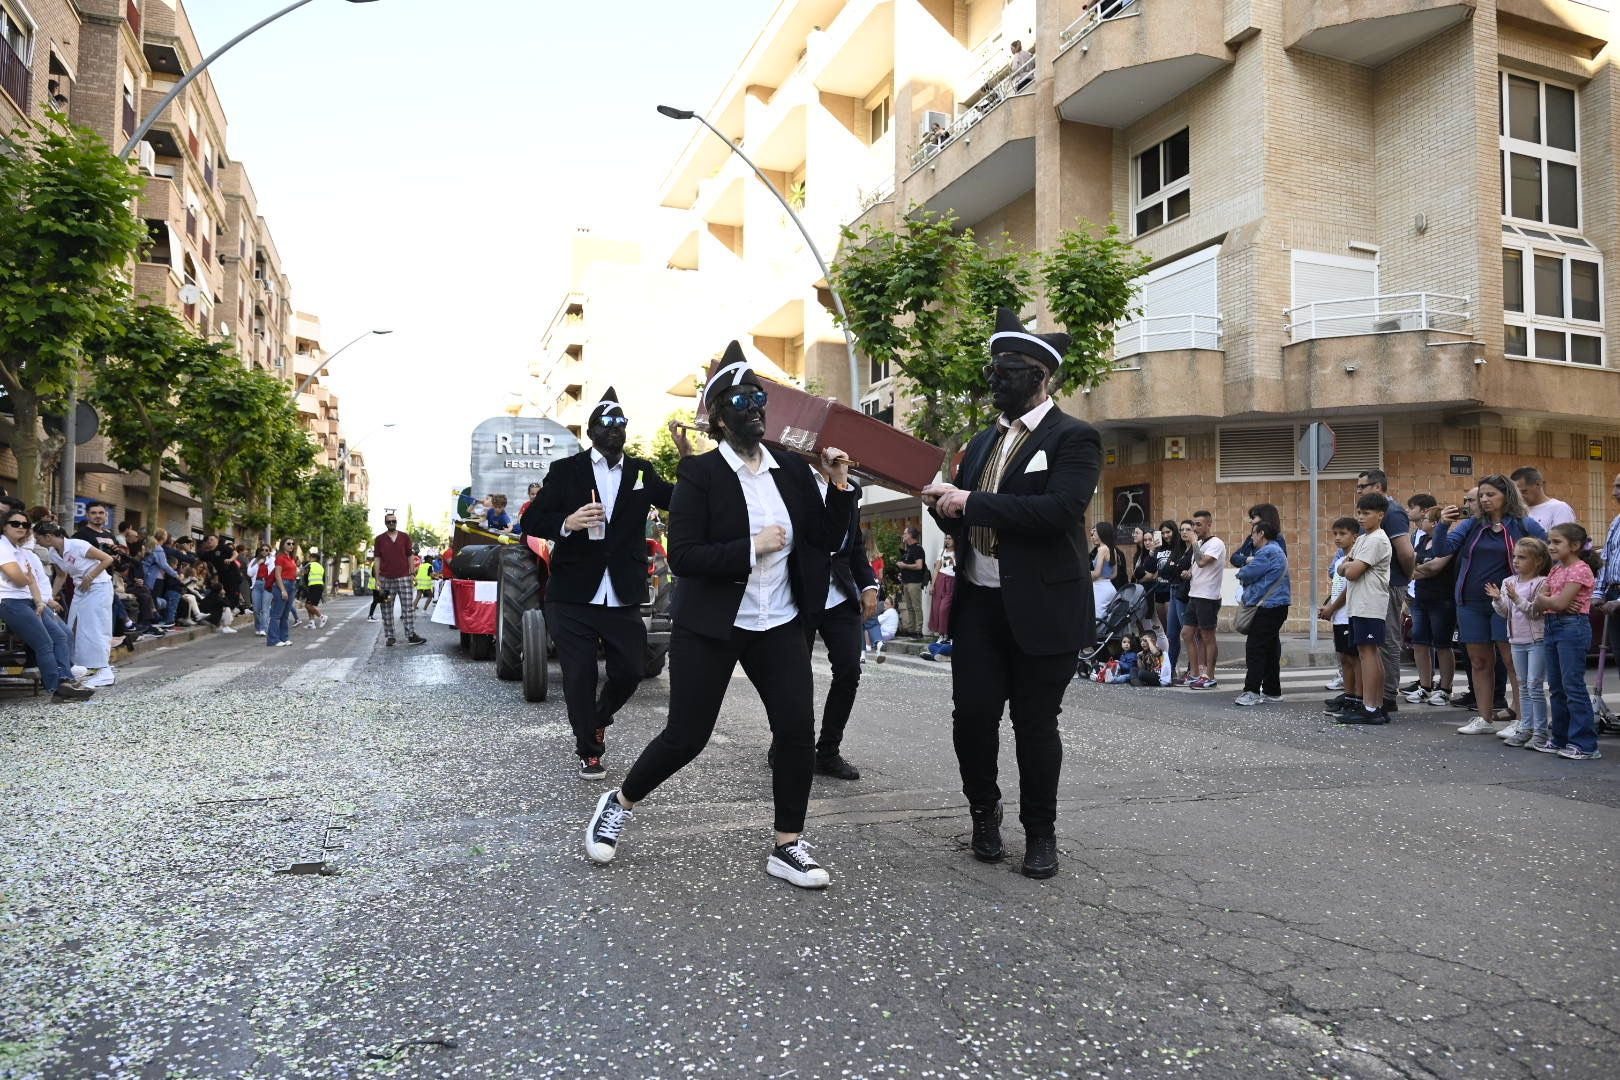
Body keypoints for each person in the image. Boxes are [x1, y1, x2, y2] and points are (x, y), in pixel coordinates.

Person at [582, 344, 856, 890]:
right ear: (717, 415)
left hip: (777, 621)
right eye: (742, 399)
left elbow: (825, 541)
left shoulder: (795, 474)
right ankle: (619, 802)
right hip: (712, 623)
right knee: (687, 736)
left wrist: (840, 488)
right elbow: (683, 556)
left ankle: (788, 844)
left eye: (760, 398)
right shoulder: (699, 474)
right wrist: (750, 546)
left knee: (797, 731)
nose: (755, 407)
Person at [921, 307, 1104, 879]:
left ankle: (1041, 833)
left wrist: (969, 502)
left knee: (1034, 724)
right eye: (991, 369)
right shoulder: (979, 444)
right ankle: (983, 812)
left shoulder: (1075, 437)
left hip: (1044, 607)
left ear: (1040, 376)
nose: (994, 379)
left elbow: (1058, 512)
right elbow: (967, 521)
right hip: (980, 603)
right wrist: (945, 507)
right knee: (971, 717)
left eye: (1007, 370)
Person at [523, 387, 677, 780]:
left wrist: (688, 455)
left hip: (622, 591)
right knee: (580, 674)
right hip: (572, 595)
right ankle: (589, 750)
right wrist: (567, 523)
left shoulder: (642, 471)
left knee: (629, 670)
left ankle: (598, 719)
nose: (615, 429)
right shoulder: (566, 470)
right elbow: (532, 522)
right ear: (592, 430)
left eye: (621, 423)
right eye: (606, 423)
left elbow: (679, 499)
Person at [1422, 475, 1545, 734]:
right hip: (1469, 601)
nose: (1484, 500)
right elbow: (1441, 550)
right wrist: (1443, 524)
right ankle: (1484, 718)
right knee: (1478, 660)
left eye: (1491, 495)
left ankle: (1521, 720)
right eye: (1482, 496)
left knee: (1511, 660)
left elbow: (1547, 551)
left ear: (1506, 496)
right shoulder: (1472, 525)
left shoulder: (1522, 524)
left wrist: (1534, 586)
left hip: (1507, 603)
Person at [797, 464, 880, 780]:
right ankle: (787, 744)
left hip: (840, 593)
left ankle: (827, 752)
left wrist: (869, 585)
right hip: (802, 592)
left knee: (849, 669)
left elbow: (854, 543)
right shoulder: (796, 479)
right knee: (794, 676)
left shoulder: (852, 488)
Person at [1, 517, 95, 702]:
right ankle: (56, 688)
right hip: (9, 601)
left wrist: (40, 601)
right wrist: (27, 579)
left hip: (29, 600)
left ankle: (66, 680)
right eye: (15, 524)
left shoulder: (19, 551)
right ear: (4, 526)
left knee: (60, 636)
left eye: (26, 525)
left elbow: (32, 579)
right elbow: (20, 580)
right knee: (44, 643)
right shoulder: (3, 548)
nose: (21, 527)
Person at [1533, 523, 1601, 759]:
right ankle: (1560, 738)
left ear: (1575, 545)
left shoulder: (1580, 569)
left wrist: (1550, 600)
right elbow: (1540, 599)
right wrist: (1550, 600)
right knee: (1557, 687)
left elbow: (1558, 603)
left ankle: (1585, 744)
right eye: (1549, 541)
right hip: (1553, 626)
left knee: (1573, 686)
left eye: (1556, 542)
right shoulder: (1556, 569)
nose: (1550, 546)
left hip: (1572, 628)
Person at [31, 522, 118, 687]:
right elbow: (61, 575)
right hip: (81, 590)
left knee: (95, 627)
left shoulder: (78, 545)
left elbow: (107, 559)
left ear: (48, 536)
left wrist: (90, 577)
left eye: (38, 538)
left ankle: (105, 670)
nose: (37, 542)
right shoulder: (53, 552)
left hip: (99, 587)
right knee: (74, 628)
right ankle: (87, 667)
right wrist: (50, 597)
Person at [1355, 470, 1414, 713]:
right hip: (1371, 586)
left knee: (1386, 641)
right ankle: (1374, 695)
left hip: (1388, 585)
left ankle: (1387, 695)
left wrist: (1406, 578)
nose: (1358, 491)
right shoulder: (1373, 518)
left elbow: (1407, 552)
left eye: (1363, 486)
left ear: (1378, 486)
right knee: (1374, 644)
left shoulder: (1393, 512)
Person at [1334, 493, 1395, 725]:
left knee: (1369, 654)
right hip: (1358, 604)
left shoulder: (1378, 539)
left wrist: (1348, 566)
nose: (1361, 517)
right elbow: (1342, 566)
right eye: (1359, 512)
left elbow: (1351, 571)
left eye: (1366, 513)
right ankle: (1374, 705)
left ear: (1380, 515)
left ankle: (1371, 707)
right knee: (1366, 653)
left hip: (1370, 604)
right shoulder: (1362, 539)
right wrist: (1347, 565)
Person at [1488, 537, 1550, 747]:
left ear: (1538, 561)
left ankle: (1540, 732)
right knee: (1522, 685)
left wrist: (1515, 599)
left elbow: (1534, 611)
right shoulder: (1509, 582)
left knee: (1534, 685)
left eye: (1522, 557)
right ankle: (1525, 727)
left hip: (1536, 640)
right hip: (1516, 640)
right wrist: (1498, 599)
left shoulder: (1541, 582)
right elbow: (1506, 612)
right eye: (1515, 556)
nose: (1516, 561)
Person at [1233, 521, 1290, 706]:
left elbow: (1247, 573)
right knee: (1270, 649)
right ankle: (1272, 690)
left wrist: (1242, 570)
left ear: (1261, 533)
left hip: (1268, 606)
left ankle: (1251, 690)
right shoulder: (1276, 550)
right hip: (1278, 605)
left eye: (1253, 534)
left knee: (1255, 648)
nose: (1252, 538)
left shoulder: (1267, 552)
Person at [1407, 505, 1458, 706]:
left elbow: (1435, 567)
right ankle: (1425, 687)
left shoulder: (1446, 542)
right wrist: (1416, 570)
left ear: (1436, 522)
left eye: (1426, 518)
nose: (1422, 521)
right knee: (1419, 643)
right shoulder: (1422, 541)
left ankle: (1445, 689)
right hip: (1420, 598)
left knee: (1443, 645)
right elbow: (1415, 565)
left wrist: (1413, 571)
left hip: (1442, 600)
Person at [1320, 518, 1361, 714]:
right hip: (1339, 616)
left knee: (1354, 659)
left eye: (1342, 534)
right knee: (1344, 658)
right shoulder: (1339, 561)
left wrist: (1333, 608)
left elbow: (1349, 590)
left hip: (1348, 614)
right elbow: (1337, 589)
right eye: (1335, 534)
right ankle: (1349, 694)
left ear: (1355, 536)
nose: (1337, 538)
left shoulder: (1354, 560)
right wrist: (1329, 607)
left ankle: (1358, 698)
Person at [1182, 510, 1226, 689]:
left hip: (1208, 597)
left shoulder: (1216, 543)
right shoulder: (1199, 544)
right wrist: (1189, 573)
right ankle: (1194, 673)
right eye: (1194, 524)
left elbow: (1202, 562)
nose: (1195, 528)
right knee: (1186, 633)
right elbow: (1197, 567)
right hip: (1194, 594)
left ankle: (1210, 675)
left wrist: (1193, 543)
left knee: (1207, 636)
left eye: (1198, 524)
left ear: (1209, 524)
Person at [373, 514, 426, 647]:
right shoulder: (379, 539)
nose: (391, 523)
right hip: (385, 579)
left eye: (394, 521)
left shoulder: (404, 537)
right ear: (385, 523)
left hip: (404, 578)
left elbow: (410, 555)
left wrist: (412, 573)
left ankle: (411, 635)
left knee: (408, 607)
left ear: (396, 522)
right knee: (386, 608)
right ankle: (390, 637)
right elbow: (377, 559)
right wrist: (377, 578)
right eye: (389, 521)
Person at [1164, 520, 1193, 679]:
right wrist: (1176, 567)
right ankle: (1170, 669)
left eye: (1188, 529)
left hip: (1185, 593)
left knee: (1187, 633)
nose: (1184, 532)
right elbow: (1167, 570)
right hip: (1173, 590)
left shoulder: (1194, 550)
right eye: (1182, 529)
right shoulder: (1179, 548)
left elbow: (1179, 569)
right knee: (1171, 633)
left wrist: (1176, 567)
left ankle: (1192, 669)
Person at [1598, 472, 1620, 675]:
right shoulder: (1616, 522)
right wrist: (1598, 593)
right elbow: (1604, 559)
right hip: (1613, 595)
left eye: (1619, 487)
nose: (1614, 493)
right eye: (1615, 487)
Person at [1510, 466, 1576, 533]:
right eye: (1516, 493)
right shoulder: (1516, 511)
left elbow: (1564, 540)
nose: (1519, 496)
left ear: (1538, 484)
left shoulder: (1560, 508)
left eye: (1524, 491)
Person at [264, 538, 299, 647]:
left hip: (292, 585)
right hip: (282, 585)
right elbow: (277, 575)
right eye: (288, 543)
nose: (291, 545)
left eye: (293, 544)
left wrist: (299, 573)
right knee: (276, 614)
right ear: (282, 545)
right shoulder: (280, 557)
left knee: (285, 615)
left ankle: (284, 638)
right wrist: (283, 590)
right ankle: (273, 640)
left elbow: (291, 573)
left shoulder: (291, 558)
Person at [895, 526, 928, 637]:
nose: (903, 535)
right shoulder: (909, 549)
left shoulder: (918, 549)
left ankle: (918, 631)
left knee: (916, 606)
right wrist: (902, 571)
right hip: (906, 581)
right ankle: (911, 630)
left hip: (914, 582)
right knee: (909, 607)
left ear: (910, 535)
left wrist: (904, 565)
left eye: (905, 533)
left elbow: (919, 566)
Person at [927, 535, 957, 653]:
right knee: (937, 607)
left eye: (950, 538)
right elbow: (936, 568)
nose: (947, 540)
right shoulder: (942, 551)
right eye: (946, 538)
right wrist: (932, 584)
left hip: (952, 581)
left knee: (944, 609)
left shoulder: (957, 551)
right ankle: (941, 635)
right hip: (941, 579)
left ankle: (948, 634)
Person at [1089, 521, 1121, 615]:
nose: (1093, 536)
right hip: (1109, 587)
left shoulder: (1102, 549)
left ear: (1101, 533)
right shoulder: (1112, 549)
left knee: (1097, 620)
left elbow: (1097, 573)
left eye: (1094, 532)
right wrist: (1104, 578)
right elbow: (1114, 574)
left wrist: (1083, 574)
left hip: (1100, 588)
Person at [247, 545, 273, 635]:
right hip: (256, 585)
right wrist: (258, 563)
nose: (264, 551)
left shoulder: (272, 561)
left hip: (267, 585)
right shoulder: (254, 561)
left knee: (265, 608)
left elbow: (275, 572)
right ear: (259, 551)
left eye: (267, 550)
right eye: (262, 549)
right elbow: (249, 573)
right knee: (256, 609)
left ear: (269, 551)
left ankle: (263, 628)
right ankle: (258, 627)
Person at [302, 551, 327, 629]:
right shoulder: (321, 567)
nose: (309, 559)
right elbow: (323, 579)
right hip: (319, 587)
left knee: (308, 605)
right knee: (309, 605)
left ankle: (322, 617)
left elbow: (304, 575)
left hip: (313, 587)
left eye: (310, 557)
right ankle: (311, 623)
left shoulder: (309, 565)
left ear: (314, 558)